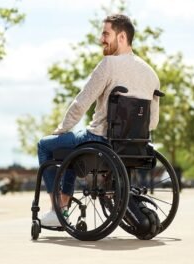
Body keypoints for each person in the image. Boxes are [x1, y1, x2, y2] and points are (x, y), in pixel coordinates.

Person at [38, 14, 160, 226]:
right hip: (134, 147)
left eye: (106, 33)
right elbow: (153, 122)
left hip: (99, 140)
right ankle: (63, 206)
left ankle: (57, 210)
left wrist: (61, 129)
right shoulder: (151, 74)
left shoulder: (108, 65)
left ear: (122, 37)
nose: (100, 39)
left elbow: (80, 104)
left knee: (46, 146)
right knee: (70, 151)